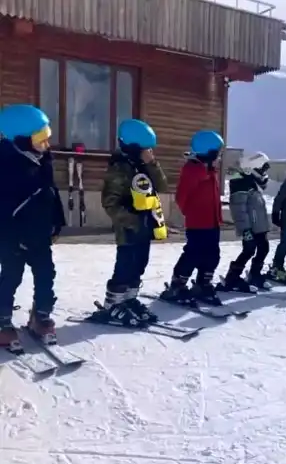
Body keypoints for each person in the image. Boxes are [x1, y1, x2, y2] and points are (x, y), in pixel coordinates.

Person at [0, 105, 65, 350]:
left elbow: (51, 194)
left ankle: (41, 316)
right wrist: (13, 237)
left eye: (47, 135)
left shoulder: (42, 160)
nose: (46, 143)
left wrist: (56, 221)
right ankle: (2, 321)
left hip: (38, 234)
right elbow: (4, 211)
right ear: (21, 139)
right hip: (12, 238)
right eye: (41, 138)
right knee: (10, 277)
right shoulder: (5, 165)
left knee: (46, 274)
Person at [97, 119, 168, 325]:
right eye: (145, 148)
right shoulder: (119, 169)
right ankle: (113, 304)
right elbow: (110, 203)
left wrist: (151, 163)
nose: (149, 152)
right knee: (125, 266)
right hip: (128, 227)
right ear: (133, 147)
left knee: (140, 264)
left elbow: (162, 185)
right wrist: (132, 220)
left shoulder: (142, 165)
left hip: (145, 225)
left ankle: (129, 300)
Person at [160, 131, 225, 306]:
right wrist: (191, 212)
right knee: (193, 254)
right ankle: (177, 285)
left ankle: (203, 284)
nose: (219, 157)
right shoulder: (192, 170)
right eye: (217, 153)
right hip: (198, 223)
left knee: (212, 254)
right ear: (208, 152)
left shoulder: (210, 170)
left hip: (212, 222)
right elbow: (181, 197)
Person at [219, 152, 272, 292]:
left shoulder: (251, 182)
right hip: (250, 227)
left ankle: (255, 275)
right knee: (248, 250)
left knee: (263, 249)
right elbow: (239, 210)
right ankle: (232, 278)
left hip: (259, 226)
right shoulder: (240, 182)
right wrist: (245, 230)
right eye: (261, 169)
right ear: (251, 168)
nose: (263, 173)